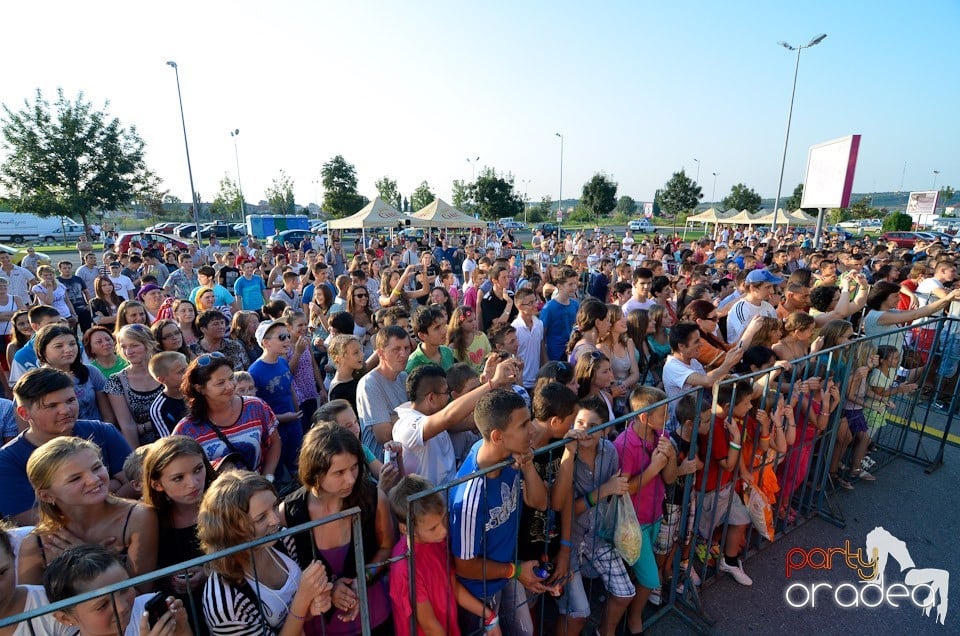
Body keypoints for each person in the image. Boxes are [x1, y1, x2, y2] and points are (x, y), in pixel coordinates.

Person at [449, 390, 548, 635]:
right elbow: (464, 565)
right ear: (498, 436)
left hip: (508, 572)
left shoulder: (506, 457)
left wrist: (527, 466)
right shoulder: (469, 497)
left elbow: (540, 503)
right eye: (524, 425)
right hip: (481, 592)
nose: (533, 429)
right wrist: (515, 571)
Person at [279, 424, 393, 634]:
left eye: (354, 467)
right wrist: (328, 590)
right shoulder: (289, 512)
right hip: (321, 626)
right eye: (339, 472)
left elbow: (387, 548)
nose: (350, 479)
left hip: (374, 617)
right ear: (315, 471)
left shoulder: (374, 498)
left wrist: (362, 579)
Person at [198, 470, 333, 636]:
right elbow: (299, 605)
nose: (275, 520)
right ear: (230, 530)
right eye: (261, 518)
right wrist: (302, 600)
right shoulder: (225, 603)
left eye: (275, 507)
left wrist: (315, 606)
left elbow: (298, 618)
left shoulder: (283, 539)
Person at [17, 437, 158, 586]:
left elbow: (141, 593)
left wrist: (87, 557)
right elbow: (33, 605)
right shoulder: (36, 544)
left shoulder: (139, 517)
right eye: (75, 478)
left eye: (97, 467)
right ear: (46, 495)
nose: (93, 480)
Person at [553, 396, 633, 636]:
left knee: (625, 592)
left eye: (592, 425)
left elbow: (611, 495)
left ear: (606, 429)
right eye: (579, 422)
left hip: (597, 536)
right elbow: (562, 509)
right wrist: (603, 491)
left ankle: (605, 632)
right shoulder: (565, 456)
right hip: (571, 541)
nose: (584, 431)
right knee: (578, 612)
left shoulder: (609, 452)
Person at [387, 475, 501, 636]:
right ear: (406, 529)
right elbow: (430, 626)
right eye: (433, 528)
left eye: (444, 519)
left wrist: (489, 616)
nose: (444, 530)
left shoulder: (437, 542)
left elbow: (452, 586)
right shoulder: (405, 568)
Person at [394, 356, 519, 486]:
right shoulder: (407, 424)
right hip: (426, 504)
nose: (449, 398)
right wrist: (492, 383)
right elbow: (449, 417)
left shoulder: (434, 416)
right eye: (446, 392)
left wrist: (489, 383)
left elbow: (479, 419)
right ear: (431, 398)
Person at [142, 436, 215, 636]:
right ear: (157, 484)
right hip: (181, 618)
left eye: (198, 470)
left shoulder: (224, 506)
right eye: (178, 478)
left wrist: (209, 571)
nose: (193, 483)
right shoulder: (149, 520)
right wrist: (168, 580)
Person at [172, 352, 281, 480]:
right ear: (200, 389)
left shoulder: (255, 406)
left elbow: (274, 443)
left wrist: (267, 478)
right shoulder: (186, 429)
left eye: (231, 378)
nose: (230, 386)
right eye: (220, 383)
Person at [43, 545, 191, 636]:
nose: (122, 607)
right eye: (102, 605)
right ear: (66, 618)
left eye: (125, 589)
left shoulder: (145, 609)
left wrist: (182, 631)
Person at [695, 381, 754, 587]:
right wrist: (736, 437)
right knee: (698, 533)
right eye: (746, 403)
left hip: (725, 487)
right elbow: (728, 463)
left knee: (741, 520)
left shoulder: (726, 420)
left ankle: (728, 562)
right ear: (728, 406)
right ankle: (685, 570)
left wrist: (744, 472)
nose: (750, 407)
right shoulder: (715, 427)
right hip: (709, 490)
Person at [249, 321, 302, 479]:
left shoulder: (282, 362)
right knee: (280, 474)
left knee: (299, 465)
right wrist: (283, 418)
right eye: (281, 337)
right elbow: (255, 410)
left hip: (294, 423)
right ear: (266, 343)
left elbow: (289, 388)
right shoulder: (254, 372)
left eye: (287, 335)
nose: (287, 340)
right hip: (275, 431)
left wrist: (296, 409)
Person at [35, 324, 112, 422]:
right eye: (59, 346)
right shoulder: (35, 382)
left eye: (72, 344)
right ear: (43, 351)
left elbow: (108, 416)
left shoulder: (90, 372)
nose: (68, 350)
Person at [105, 325, 164, 448]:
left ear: (149, 344)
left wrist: (144, 426)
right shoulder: (116, 381)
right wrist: (136, 459)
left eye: (134, 345)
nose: (128, 352)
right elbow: (127, 426)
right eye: (124, 347)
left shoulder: (167, 369)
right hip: (146, 448)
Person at [357, 325, 410, 460]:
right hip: (381, 467)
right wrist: (413, 417)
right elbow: (384, 434)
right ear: (381, 353)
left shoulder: (404, 377)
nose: (403, 354)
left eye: (406, 348)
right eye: (396, 349)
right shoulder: (369, 384)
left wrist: (393, 418)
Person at [9, 305, 64, 387]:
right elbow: (17, 387)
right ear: (35, 326)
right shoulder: (23, 355)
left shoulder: (73, 345)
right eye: (50, 324)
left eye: (59, 323)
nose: (56, 327)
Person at [726, 269, 782, 343]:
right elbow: (745, 338)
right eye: (767, 287)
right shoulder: (740, 308)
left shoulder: (768, 306)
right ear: (752, 288)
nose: (772, 291)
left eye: (772, 287)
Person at [148, 352, 188, 438]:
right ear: (162, 379)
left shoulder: (197, 390)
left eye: (187, 368)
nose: (187, 373)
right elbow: (170, 443)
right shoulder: (159, 409)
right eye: (181, 372)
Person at [406, 306, 455, 373]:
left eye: (443, 325)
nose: (444, 331)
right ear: (422, 335)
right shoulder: (413, 365)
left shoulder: (448, 352)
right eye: (437, 328)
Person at [565, 298, 611, 367]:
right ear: (598, 322)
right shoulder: (587, 351)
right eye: (607, 320)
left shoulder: (587, 345)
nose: (610, 324)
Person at [327, 334, 364, 412]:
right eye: (356, 352)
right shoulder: (338, 391)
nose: (362, 354)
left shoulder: (358, 375)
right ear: (339, 358)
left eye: (361, 350)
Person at [57, 260, 91, 333]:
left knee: (87, 331)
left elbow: (86, 291)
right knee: (71, 332)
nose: (67, 270)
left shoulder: (78, 279)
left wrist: (89, 304)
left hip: (82, 309)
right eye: (64, 268)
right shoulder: (57, 281)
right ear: (59, 269)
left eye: (69, 268)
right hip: (67, 312)